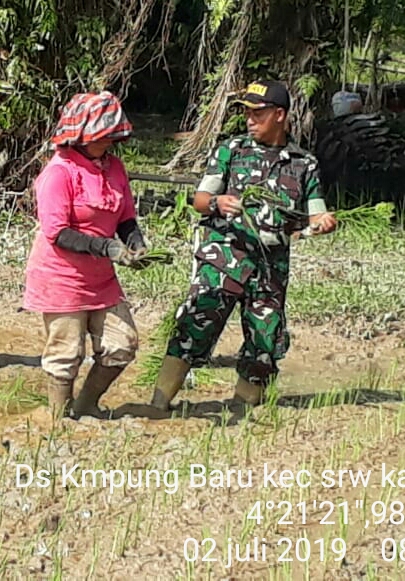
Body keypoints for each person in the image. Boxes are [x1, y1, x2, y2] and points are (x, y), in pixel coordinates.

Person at [148, 80, 338, 413]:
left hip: (269, 267)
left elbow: (315, 211)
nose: (250, 120)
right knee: (196, 324)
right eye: (247, 113)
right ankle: (158, 403)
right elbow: (200, 198)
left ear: (280, 115)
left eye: (258, 113)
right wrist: (217, 203)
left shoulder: (302, 163)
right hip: (225, 255)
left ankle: (244, 409)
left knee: (265, 340)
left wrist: (323, 223)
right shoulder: (231, 150)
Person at [23, 91, 148, 419]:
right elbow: (58, 233)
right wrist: (107, 248)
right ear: (82, 135)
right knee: (66, 353)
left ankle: (86, 404)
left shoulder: (115, 168)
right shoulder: (59, 173)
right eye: (102, 135)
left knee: (122, 344)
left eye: (111, 135)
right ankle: (57, 419)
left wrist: (135, 243)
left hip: (101, 280)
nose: (108, 141)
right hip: (61, 279)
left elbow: (125, 218)